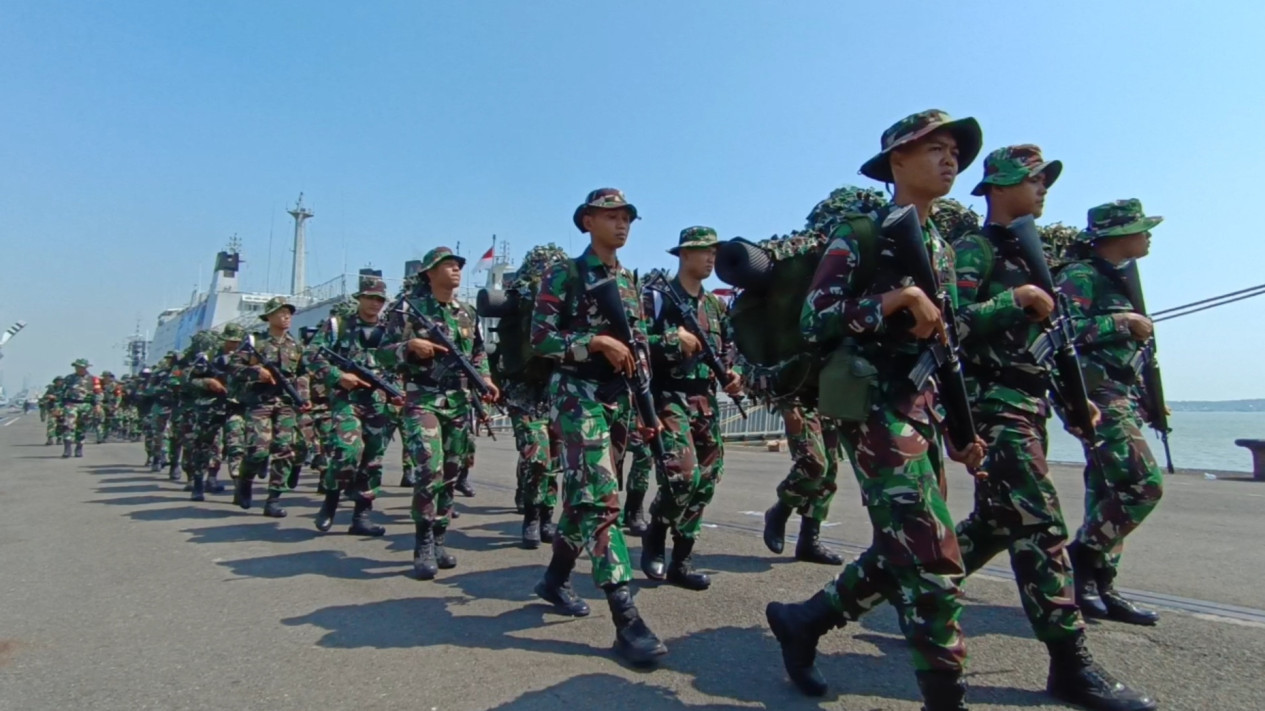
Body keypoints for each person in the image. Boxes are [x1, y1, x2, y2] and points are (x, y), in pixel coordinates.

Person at [765, 109, 987, 709]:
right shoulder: (862, 233)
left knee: (903, 548)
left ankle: (805, 621)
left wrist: (961, 427)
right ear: (897, 161)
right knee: (935, 560)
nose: (951, 160)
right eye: (935, 149)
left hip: (923, 410)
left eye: (955, 153)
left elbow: (944, 339)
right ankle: (946, 695)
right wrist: (892, 299)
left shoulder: (941, 245)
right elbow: (817, 318)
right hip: (872, 408)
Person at [952, 146, 1155, 710]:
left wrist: (1071, 400)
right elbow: (951, 327)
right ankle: (1071, 666)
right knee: (1040, 528)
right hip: (991, 403)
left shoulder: (1031, 252)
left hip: (1028, 400)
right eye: (1033, 179)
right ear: (999, 185)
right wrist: (1012, 302)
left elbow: (1051, 344)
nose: (1043, 188)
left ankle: (906, 590)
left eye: (1044, 180)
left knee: (998, 522)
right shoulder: (974, 248)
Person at [529, 188, 667, 666]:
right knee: (602, 499)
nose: (621, 224)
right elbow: (541, 340)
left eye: (627, 216)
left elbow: (640, 347)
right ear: (587, 221)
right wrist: (595, 342)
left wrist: (648, 412)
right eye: (610, 216)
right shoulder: (563, 273)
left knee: (585, 500)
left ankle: (554, 579)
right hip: (575, 395)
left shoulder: (629, 283)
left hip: (618, 400)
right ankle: (626, 617)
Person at [1057, 199, 1166, 628]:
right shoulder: (1081, 276)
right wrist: (1120, 322)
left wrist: (1152, 401)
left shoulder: (1121, 279)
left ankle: (1100, 585)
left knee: (1106, 491)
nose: (1148, 234)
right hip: (1098, 398)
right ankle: (1082, 556)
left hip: (1123, 394)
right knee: (1143, 485)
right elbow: (1058, 334)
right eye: (1141, 227)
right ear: (1115, 236)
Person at [378, 247, 497, 579]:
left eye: (458, 265)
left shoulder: (467, 313)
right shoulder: (408, 310)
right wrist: (410, 348)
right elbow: (383, 355)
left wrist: (485, 377)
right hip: (423, 399)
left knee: (451, 470)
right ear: (429, 274)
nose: (456, 270)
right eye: (448, 266)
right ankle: (424, 541)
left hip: (458, 401)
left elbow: (476, 352)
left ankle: (441, 537)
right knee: (429, 467)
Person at [638, 226, 743, 591]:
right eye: (704, 251)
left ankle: (682, 559)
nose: (712, 257)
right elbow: (634, 342)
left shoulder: (715, 305)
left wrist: (734, 373)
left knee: (707, 480)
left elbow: (730, 347)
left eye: (714, 251)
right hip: (669, 398)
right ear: (683, 254)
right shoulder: (657, 297)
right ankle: (656, 532)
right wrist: (671, 338)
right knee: (683, 475)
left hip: (705, 400)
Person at [308, 276, 399, 537]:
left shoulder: (388, 329)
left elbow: (398, 362)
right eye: (370, 298)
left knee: (373, 459)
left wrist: (396, 391)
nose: (375, 303)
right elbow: (312, 356)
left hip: (378, 401)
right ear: (360, 298)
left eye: (380, 299)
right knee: (347, 451)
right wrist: (339, 377)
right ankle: (331, 501)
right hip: (347, 400)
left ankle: (362, 515)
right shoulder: (338, 326)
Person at [228, 297, 309, 517]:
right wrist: (256, 372)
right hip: (260, 402)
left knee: (285, 449)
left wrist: (303, 395)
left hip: (286, 403)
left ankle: (274, 498)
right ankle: (245, 480)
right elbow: (234, 366)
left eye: (288, 313)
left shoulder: (296, 345)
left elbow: (302, 373)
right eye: (281, 312)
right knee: (258, 450)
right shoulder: (255, 342)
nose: (286, 317)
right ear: (269, 317)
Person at [58, 359, 101, 458]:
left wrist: (97, 405)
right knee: (68, 425)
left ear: (86, 368)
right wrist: (59, 406)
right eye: (77, 367)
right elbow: (62, 393)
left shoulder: (93, 379)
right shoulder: (69, 378)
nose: (79, 369)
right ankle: (67, 449)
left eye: (81, 367)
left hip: (86, 405)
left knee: (82, 427)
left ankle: (79, 448)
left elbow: (98, 392)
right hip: (71, 404)